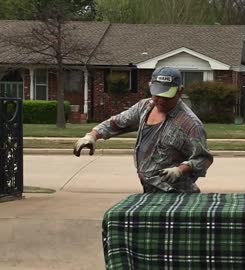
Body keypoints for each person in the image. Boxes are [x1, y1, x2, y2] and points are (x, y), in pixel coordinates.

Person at [73, 67, 213, 193]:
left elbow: (203, 158)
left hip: (176, 192)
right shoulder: (144, 107)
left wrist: (180, 170)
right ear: (150, 87)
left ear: (180, 91)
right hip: (149, 188)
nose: (161, 100)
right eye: (157, 94)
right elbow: (116, 123)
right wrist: (91, 136)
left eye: (167, 96)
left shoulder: (190, 124)